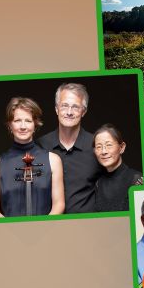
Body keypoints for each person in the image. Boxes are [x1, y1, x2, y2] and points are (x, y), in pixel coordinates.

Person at [0, 97, 64, 217]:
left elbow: (59, 205)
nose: (23, 126)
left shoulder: (53, 160)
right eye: (17, 120)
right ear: (9, 125)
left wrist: (45, 227)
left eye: (28, 121)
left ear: (35, 124)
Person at [38, 83, 103, 213]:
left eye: (75, 107)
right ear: (56, 109)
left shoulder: (97, 144)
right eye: (64, 106)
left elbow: (115, 177)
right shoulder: (41, 145)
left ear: (83, 112)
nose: (69, 112)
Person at [93, 124, 143, 212]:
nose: (104, 151)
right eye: (99, 147)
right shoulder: (98, 183)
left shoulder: (136, 180)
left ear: (122, 147)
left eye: (109, 145)